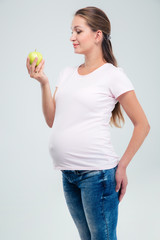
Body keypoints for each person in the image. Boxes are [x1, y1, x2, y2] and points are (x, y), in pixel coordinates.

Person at [26, 6, 150, 240]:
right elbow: (52, 120)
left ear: (97, 35)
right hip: (68, 174)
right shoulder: (67, 73)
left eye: (78, 31)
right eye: (71, 31)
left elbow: (143, 124)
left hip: (98, 175)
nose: (71, 37)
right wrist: (43, 82)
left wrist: (121, 166)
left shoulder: (113, 75)